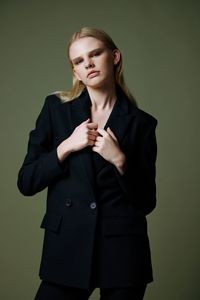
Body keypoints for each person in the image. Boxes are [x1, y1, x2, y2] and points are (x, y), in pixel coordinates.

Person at [17, 27, 158, 300]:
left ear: (114, 57)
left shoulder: (142, 124)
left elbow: (146, 202)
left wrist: (120, 160)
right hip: (67, 244)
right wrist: (66, 146)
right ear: (75, 71)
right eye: (79, 61)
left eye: (95, 54)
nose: (88, 64)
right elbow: (26, 181)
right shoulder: (55, 109)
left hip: (122, 251)